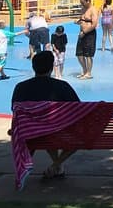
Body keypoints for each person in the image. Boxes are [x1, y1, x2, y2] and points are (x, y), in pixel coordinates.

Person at [11, 51, 80, 179]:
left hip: (30, 132)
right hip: (56, 131)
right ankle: (56, 165)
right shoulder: (62, 86)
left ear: (33, 67)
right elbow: (78, 109)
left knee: (44, 127)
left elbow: (15, 111)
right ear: (51, 67)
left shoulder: (20, 87)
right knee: (54, 128)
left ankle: (56, 166)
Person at [75, 0, 98, 79]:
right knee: (79, 54)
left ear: (88, 1)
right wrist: (78, 21)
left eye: (83, 2)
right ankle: (84, 70)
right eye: (81, 3)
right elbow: (82, 19)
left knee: (88, 55)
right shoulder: (83, 9)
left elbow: (94, 24)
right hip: (81, 33)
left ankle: (88, 73)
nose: (82, 4)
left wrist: (84, 32)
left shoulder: (93, 10)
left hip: (89, 34)